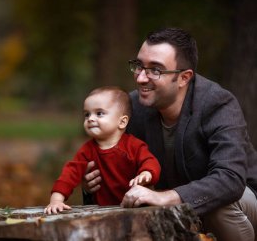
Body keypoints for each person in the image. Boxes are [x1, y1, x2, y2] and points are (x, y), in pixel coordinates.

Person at [83, 27, 257, 241]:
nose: (141, 78)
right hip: (183, 209)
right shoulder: (131, 109)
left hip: (245, 202)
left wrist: (165, 197)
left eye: (155, 70)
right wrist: (92, 183)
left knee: (218, 204)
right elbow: (118, 173)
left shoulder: (217, 103)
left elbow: (230, 180)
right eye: (139, 66)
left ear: (184, 77)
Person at [44, 86, 161, 214]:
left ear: (122, 122)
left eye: (99, 113)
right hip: (103, 211)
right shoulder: (87, 150)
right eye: (87, 114)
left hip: (136, 208)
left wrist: (147, 173)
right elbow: (69, 174)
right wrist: (56, 199)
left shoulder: (133, 145)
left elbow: (150, 161)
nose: (90, 119)